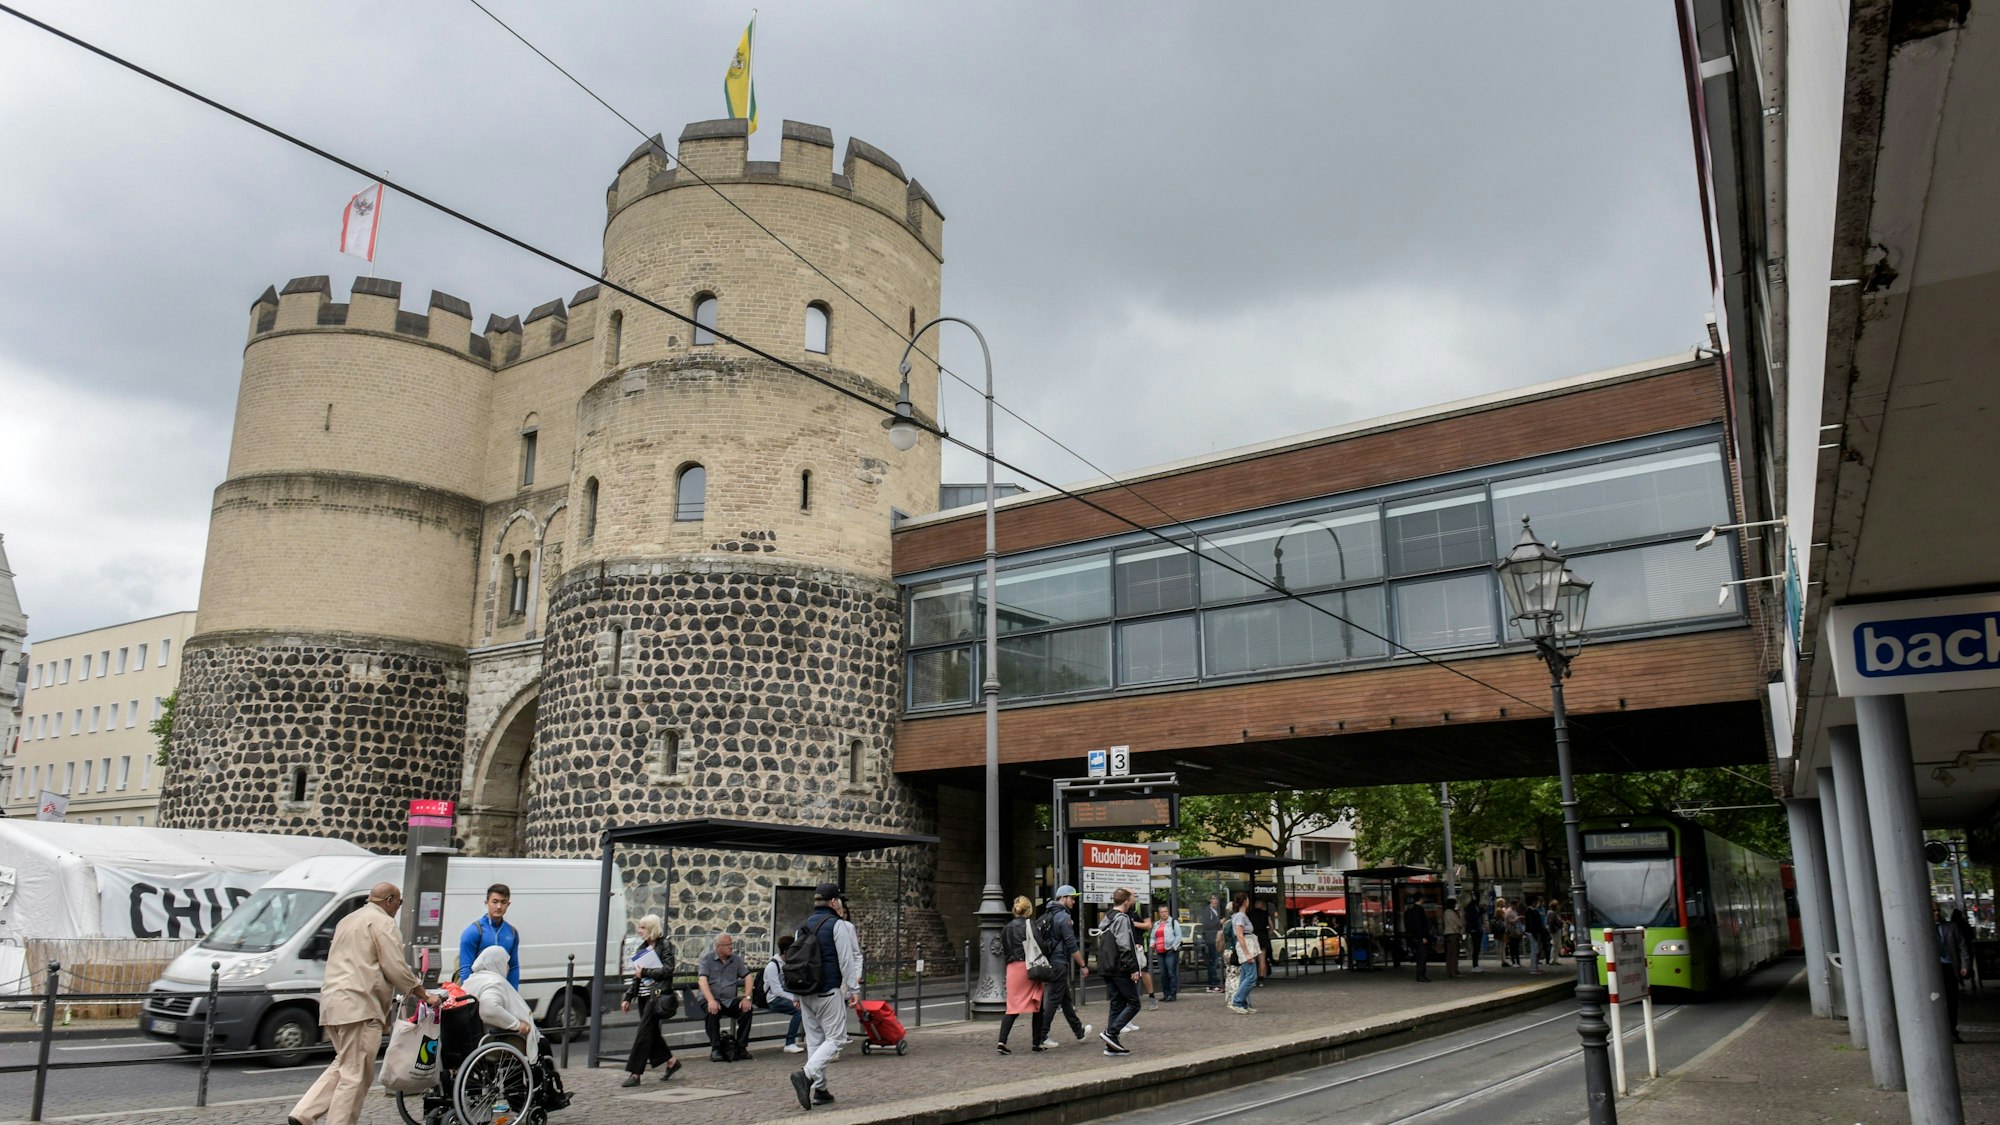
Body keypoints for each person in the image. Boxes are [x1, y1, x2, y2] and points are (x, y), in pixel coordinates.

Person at [287, 882, 436, 1125]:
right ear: (389, 900)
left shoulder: (348, 920)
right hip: (360, 1005)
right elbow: (395, 967)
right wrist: (424, 994)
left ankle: (304, 1113)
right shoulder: (383, 923)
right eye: (398, 902)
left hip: (333, 1003)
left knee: (345, 1064)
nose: (398, 907)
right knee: (355, 1075)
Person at [464, 946, 570, 1110]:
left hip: (481, 1039)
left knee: (525, 1051)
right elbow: (488, 1009)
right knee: (541, 1045)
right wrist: (517, 1025)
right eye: (506, 963)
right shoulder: (494, 982)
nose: (507, 968)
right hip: (496, 1039)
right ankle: (547, 1095)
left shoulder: (471, 981)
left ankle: (526, 1099)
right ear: (496, 963)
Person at [789, 882, 862, 1111]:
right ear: (833, 902)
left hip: (806, 991)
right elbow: (846, 959)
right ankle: (806, 1075)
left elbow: (795, 960)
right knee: (837, 1038)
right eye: (838, 900)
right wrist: (853, 989)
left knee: (815, 1041)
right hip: (828, 990)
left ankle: (820, 1090)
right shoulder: (837, 925)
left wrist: (795, 993)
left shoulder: (802, 926)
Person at [618, 914, 683, 1087]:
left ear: (651, 929)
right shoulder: (641, 949)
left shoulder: (665, 945)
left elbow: (668, 970)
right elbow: (636, 977)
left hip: (658, 995)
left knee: (644, 1032)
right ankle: (671, 1061)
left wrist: (646, 972)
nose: (639, 930)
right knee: (651, 1032)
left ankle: (635, 1073)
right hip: (644, 996)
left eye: (643, 927)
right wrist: (628, 996)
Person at [1037, 886, 1092, 1049]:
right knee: (1053, 999)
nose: (1074, 901)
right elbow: (1072, 945)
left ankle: (1079, 1032)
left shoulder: (1050, 913)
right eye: (1072, 898)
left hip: (1052, 961)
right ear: (1063, 898)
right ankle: (1042, 1036)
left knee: (1065, 999)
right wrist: (1083, 965)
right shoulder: (1063, 917)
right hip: (1059, 963)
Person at [997, 896, 1045, 1054]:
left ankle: (1001, 1041)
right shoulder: (1029, 924)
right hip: (1028, 967)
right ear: (1029, 910)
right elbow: (1040, 944)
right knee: (1038, 1006)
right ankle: (1036, 1043)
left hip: (1012, 969)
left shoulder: (1006, 927)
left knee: (1012, 1008)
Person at [1097, 887, 1142, 1055]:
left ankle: (1111, 1045)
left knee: (1116, 1004)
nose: (1133, 901)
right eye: (1132, 899)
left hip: (1107, 966)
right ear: (1126, 901)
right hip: (1120, 967)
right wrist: (1132, 967)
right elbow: (1124, 944)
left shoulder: (1108, 917)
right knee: (1134, 1003)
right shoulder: (1122, 919)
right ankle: (1111, 1032)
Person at [698, 933, 754, 1062]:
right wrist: (711, 1000)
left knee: (746, 1009)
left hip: (729, 1000)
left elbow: (748, 977)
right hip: (711, 998)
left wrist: (747, 997)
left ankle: (741, 1047)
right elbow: (702, 980)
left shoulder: (736, 960)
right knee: (711, 1010)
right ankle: (716, 1048)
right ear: (718, 947)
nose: (731, 947)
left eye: (731, 944)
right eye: (727, 945)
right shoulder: (707, 959)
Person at [457, 883, 520, 988]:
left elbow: (513, 967)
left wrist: (513, 993)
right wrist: (471, 995)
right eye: (495, 902)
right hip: (477, 989)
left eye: (503, 902)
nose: (499, 906)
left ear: (508, 904)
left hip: (501, 988)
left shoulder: (512, 932)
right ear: (487, 903)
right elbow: (465, 968)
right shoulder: (474, 931)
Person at [764, 934, 806, 1053]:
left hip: (786, 995)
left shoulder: (790, 963)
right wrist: (795, 999)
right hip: (774, 999)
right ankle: (790, 1042)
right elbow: (776, 990)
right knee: (799, 1010)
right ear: (786, 950)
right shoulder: (772, 966)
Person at [1938, 904, 1971, 1042]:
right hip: (1932, 968)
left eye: (1937, 910)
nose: (1935, 913)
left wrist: (1965, 965)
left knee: (1951, 999)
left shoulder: (1951, 927)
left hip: (1949, 966)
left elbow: (1962, 946)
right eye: (1932, 910)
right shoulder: (1922, 927)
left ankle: (1952, 1029)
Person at [1226, 890, 1261, 1013]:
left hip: (1245, 945)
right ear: (1245, 901)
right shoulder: (1240, 916)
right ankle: (1237, 1001)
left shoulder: (1238, 915)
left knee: (1245, 975)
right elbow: (1240, 935)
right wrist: (1247, 953)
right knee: (1251, 976)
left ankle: (1243, 1003)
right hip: (1246, 946)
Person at [1152, 904, 1183, 1002]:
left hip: (1170, 950)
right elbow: (1153, 936)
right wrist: (1152, 944)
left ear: (1168, 912)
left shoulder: (1173, 922)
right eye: (1162, 912)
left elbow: (1178, 936)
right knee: (1163, 974)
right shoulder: (1157, 924)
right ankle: (1166, 994)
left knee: (1171, 973)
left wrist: (1174, 947)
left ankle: (1172, 995)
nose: (1164, 914)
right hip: (1160, 951)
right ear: (1159, 913)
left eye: (1165, 912)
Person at [1198, 894, 1225, 993]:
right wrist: (1219, 922)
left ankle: (1213, 984)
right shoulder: (1206, 911)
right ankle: (1213, 984)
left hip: (1217, 938)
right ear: (1210, 900)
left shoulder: (1217, 911)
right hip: (1210, 939)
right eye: (1213, 899)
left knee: (1214, 962)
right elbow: (1206, 925)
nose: (1215, 901)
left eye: (1216, 899)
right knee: (1213, 962)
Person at [1404, 896, 1433, 983]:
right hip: (1420, 937)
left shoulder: (1411, 909)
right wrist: (1423, 936)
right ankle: (1421, 975)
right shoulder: (1418, 910)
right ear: (1420, 899)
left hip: (1415, 936)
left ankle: (1420, 975)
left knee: (1420, 956)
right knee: (1422, 956)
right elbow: (1419, 924)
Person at [1247, 897, 1274, 985]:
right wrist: (1268, 933)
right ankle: (1261, 979)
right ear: (1262, 905)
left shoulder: (1249, 914)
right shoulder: (1265, 914)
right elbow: (1271, 926)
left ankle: (1253, 978)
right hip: (1263, 937)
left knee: (1253, 959)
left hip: (1253, 937)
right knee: (1262, 959)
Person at [1523, 895, 1549, 975]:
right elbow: (1532, 924)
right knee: (1535, 950)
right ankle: (1533, 968)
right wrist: (1536, 933)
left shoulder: (1532, 911)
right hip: (1532, 932)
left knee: (1535, 949)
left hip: (1533, 932)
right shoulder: (1531, 911)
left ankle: (1535, 967)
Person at [1442, 897, 1464, 979]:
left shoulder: (1445, 912)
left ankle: (1449, 971)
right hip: (1453, 934)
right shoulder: (1451, 912)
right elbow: (1459, 923)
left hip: (1447, 933)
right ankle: (1454, 971)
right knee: (1454, 954)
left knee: (1449, 954)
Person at [1464, 896, 1486, 973]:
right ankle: (1474, 965)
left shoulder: (1475, 907)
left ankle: (1475, 964)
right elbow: (1471, 918)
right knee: (1476, 947)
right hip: (1474, 929)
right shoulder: (1471, 908)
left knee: (1477, 947)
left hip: (1477, 929)